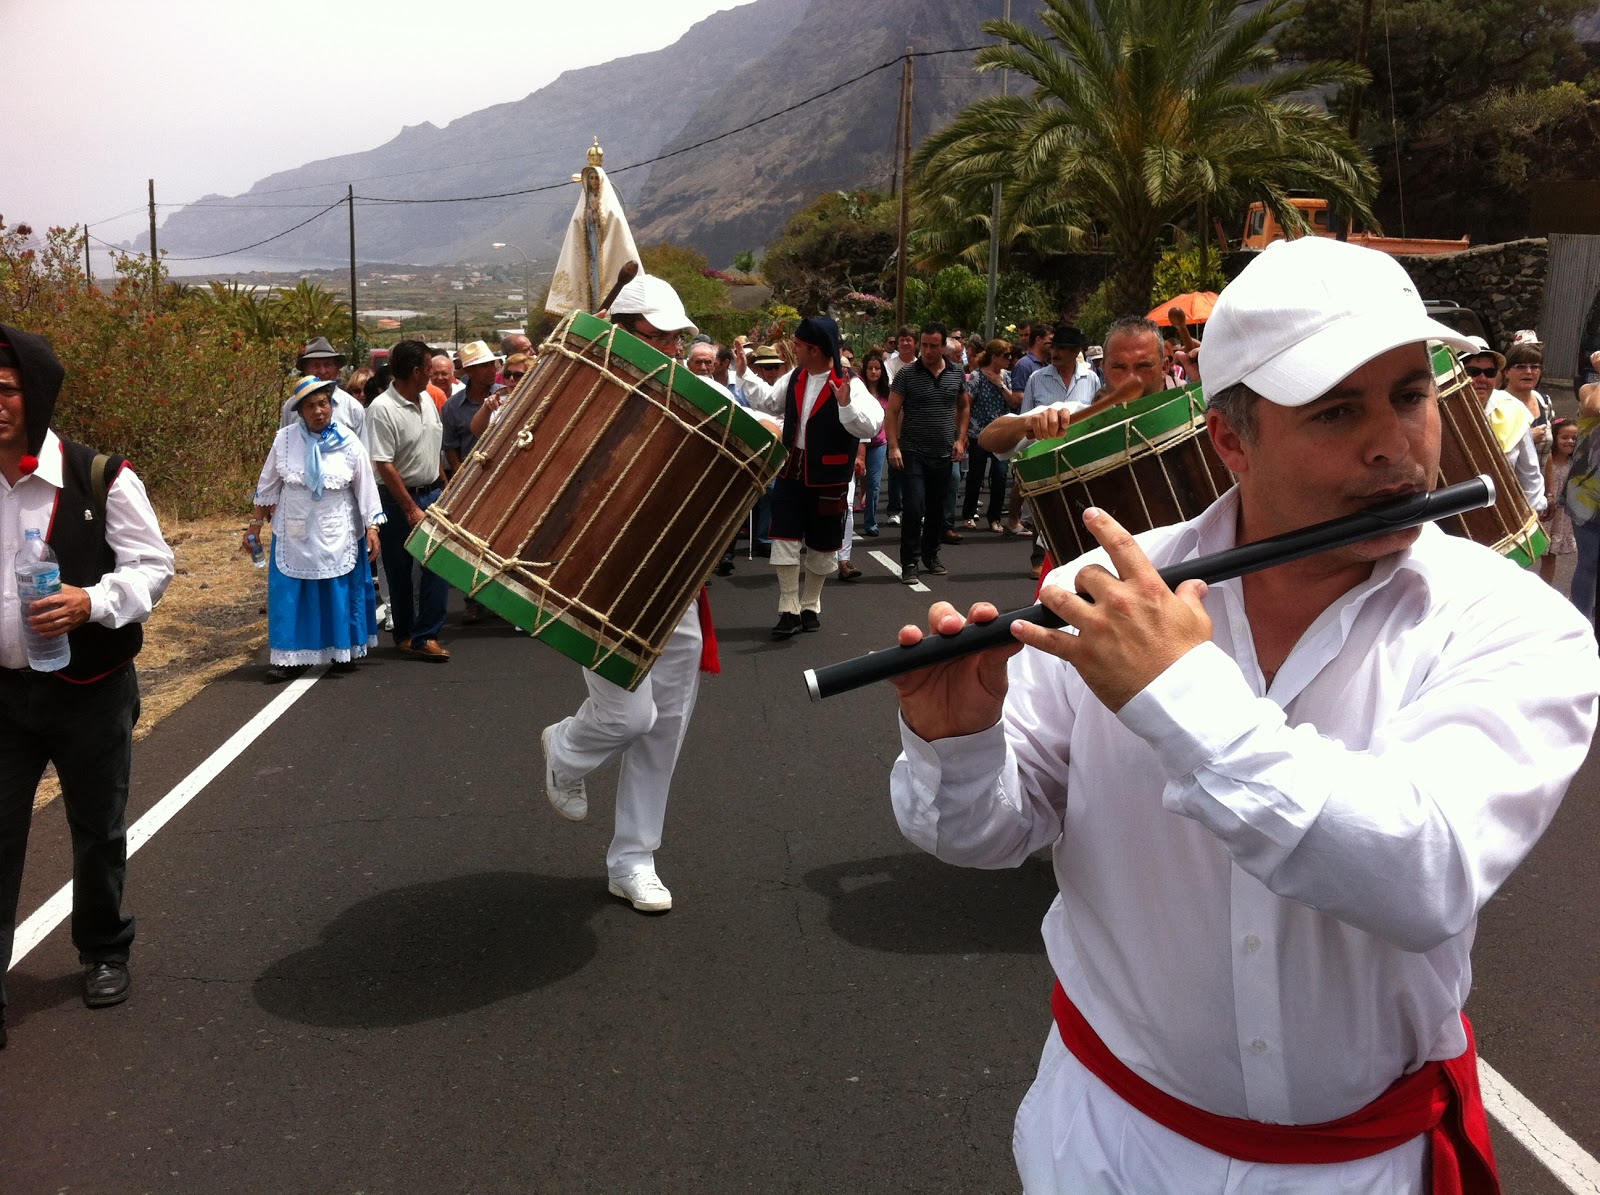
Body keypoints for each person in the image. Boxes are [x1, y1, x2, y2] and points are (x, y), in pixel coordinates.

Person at [885, 237, 1600, 1192]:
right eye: (1338, 410)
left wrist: (1178, 693)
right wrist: (957, 740)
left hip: (1359, 1168)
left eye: (1410, 394)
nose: (1393, 442)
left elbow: (1423, 874)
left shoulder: (1513, 624)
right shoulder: (1097, 591)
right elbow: (978, 835)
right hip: (1103, 1142)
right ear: (1233, 439)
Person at [0, 324, 175, 1046]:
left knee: (96, 827)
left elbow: (153, 565)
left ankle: (104, 948)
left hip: (91, 684)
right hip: (4, 697)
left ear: (34, 394)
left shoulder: (99, 475)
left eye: (5, 390)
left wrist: (91, 601)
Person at [540, 274, 720, 914]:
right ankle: (565, 749)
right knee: (628, 716)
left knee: (663, 730)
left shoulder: (693, 395)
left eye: (676, 343)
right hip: (600, 580)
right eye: (658, 340)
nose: (671, 355)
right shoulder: (569, 396)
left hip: (673, 582)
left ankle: (633, 859)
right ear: (619, 333)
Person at [740, 316, 883, 635]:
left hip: (829, 474)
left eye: (799, 345)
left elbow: (872, 426)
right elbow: (768, 400)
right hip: (792, 468)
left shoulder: (851, 382)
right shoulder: (795, 376)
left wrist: (845, 405)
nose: (794, 348)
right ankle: (788, 608)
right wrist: (743, 374)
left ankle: (810, 605)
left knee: (823, 545)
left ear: (815, 350)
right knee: (784, 539)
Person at [248, 376, 382, 682]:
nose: (318, 411)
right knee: (291, 592)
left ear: (331, 405)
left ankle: (342, 650)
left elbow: (365, 488)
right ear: (300, 411)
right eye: (311, 406)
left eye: (323, 403)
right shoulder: (284, 440)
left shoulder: (349, 442)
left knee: (337, 587)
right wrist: (254, 525)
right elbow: (267, 485)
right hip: (295, 527)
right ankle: (289, 658)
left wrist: (373, 526)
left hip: (337, 527)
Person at [368, 339, 451, 661]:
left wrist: (444, 488)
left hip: (433, 492)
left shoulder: (428, 399)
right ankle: (405, 633)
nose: (432, 373)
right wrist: (409, 508)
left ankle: (426, 634)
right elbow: (384, 464)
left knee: (438, 564)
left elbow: (433, 448)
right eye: (429, 368)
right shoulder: (382, 409)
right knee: (399, 570)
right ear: (416, 372)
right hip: (397, 499)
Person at [887, 322, 968, 585]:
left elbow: (964, 406)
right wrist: (893, 445)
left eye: (934, 346)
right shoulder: (907, 375)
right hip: (912, 450)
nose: (928, 351)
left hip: (944, 451)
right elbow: (892, 411)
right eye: (924, 345)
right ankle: (909, 562)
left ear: (944, 347)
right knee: (913, 506)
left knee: (937, 508)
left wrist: (961, 439)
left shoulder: (956, 373)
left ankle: (931, 556)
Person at [1460, 338, 1545, 524]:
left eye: (1489, 372)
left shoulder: (1514, 409)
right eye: (1472, 372)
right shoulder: (1439, 412)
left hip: (1507, 518)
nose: (1482, 379)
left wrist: (1530, 518)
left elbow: (1530, 473)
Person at [960, 339, 1020, 533]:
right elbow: (966, 405)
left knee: (1000, 475)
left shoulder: (1007, 377)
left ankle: (994, 517)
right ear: (994, 357)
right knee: (976, 475)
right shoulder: (977, 376)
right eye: (1005, 356)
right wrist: (963, 433)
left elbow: (1013, 402)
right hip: (979, 433)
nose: (1009, 360)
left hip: (1002, 434)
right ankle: (969, 514)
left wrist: (1000, 384)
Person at [281, 336, 366, 445]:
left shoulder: (353, 408)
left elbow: (363, 454)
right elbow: (284, 448)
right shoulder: (291, 406)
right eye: (316, 365)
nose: (322, 371)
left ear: (337, 368)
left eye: (328, 365)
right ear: (305, 370)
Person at [441, 340, 503, 478]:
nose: (492, 370)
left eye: (492, 364)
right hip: (473, 477)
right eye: (484, 366)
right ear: (469, 371)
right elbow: (451, 450)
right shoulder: (452, 407)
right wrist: (462, 478)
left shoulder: (506, 396)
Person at [857, 350, 892, 538]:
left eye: (877, 368)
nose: (873, 372)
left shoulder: (888, 392)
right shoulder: (858, 390)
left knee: (874, 483)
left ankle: (870, 522)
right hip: (858, 441)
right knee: (855, 479)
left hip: (879, 442)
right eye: (870, 368)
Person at [1501, 342, 1553, 465]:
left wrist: (1550, 485)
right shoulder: (1496, 404)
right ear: (1506, 372)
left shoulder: (1544, 402)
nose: (1529, 371)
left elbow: (1548, 453)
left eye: (1535, 367)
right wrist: (1528, 439)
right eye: (1521, 367)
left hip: (1538, 482)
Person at [1542, 417, 1578, 588]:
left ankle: (1545, 589)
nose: (1570, 441)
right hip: (1542, 512)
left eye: (1574, 438)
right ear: (1555, 438)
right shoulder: (1544, 460)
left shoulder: (1575, 463)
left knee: (1550, 556)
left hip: (1559, 516)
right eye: (1564, 437)